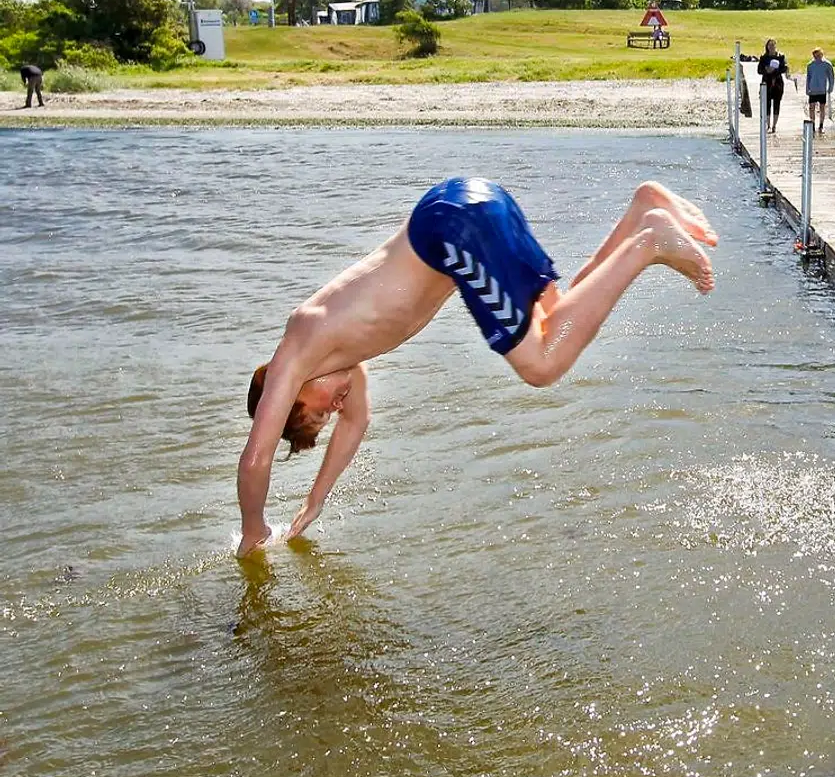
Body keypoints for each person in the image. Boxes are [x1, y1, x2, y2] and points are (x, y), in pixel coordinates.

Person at [236, 178, 718, 557]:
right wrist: (315, 500)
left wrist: (252, 530)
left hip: (452, 230)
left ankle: (650, 240)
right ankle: (640, 213)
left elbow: (256, 458)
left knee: (540, 366)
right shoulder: (346, 361)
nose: (335, 409)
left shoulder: (298, 346)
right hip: (467, 205)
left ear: (293, 391)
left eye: (318, 413)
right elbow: (357, 424)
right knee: (560, 321)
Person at [757, 38, 787, 135]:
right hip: (767, 82)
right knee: (767, 104)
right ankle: (768, 125)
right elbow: (759, 71)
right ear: (767, 46)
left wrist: (774, 70)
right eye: (770, 45)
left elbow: (784, 68)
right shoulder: (763, 57)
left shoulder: (781, 56)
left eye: (773, 45)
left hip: (778, 82)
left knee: (777, 104)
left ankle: (774, 125)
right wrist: (767, 70)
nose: (771, 47)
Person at [805, 47, 835, 135]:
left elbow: (831, 77)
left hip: (822, 90)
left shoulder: (827, 64)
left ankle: (821, 125)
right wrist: (807, 89)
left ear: (822, 54)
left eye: (819, 55)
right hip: (813, 89)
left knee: (822, 108)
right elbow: (808, 77)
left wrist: (830, 87)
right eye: (815, 55)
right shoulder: (810, 65)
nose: (817, 57)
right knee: (811, 108)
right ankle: (812, 125)